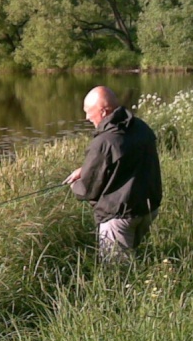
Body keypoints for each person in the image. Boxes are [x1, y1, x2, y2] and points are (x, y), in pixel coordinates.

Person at [64, 86, 162, 260]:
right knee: (135, 259)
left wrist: (75, 185)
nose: (87, 117)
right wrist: (84, 169)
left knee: (117, 274)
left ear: (103, 111)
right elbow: (124, 159)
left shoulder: (104, 141)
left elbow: (87, 190)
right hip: (148, 209)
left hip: (119, 216)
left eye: (88, 112)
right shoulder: (140, 127)